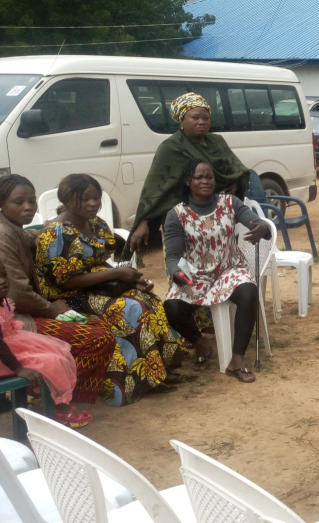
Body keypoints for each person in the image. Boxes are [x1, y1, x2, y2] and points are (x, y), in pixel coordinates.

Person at [35, 174, 188, 405]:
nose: (93, 204)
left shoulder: (96, 225)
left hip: (97, 287)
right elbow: (65, 282)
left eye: (96, 198)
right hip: (70, 297)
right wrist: (116, 274)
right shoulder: (55, 233)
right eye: (85, 199)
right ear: (67, 200)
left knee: (146, 298)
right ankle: (129, 381)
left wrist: (131, 282)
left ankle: (155, 371)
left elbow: (100, 263)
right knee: (130, 308)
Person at [0, 174, 116, 412]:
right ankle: (56, 405)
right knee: (96, 338)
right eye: (19, 202)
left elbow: (30, 237)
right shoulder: (3, 236)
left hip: (27, 312)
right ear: (2, 204)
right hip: (16, 322)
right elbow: (19, 293)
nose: (28, 207)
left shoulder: (14, 229)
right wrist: (54, 310)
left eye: (32, 201)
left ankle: (58, 397)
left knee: (100, 328)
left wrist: (47, 228)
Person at [162, 160, 271, 382]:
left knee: (249, 291)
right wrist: (176, 272)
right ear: (188, 181)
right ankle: (200, 343)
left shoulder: (230, 203)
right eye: (199, 177)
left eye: (209, 177)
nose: (205, 181)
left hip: (229, 268)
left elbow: (258, 224)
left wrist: (263, 228)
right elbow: (173, 256)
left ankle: (237, 359)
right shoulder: (177, 214)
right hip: (194, 271)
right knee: (171, 306)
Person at [126, 92, 254, 257]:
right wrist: (143, 221)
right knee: (183, 263)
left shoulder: (217, 141)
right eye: (195, 117)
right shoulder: (170, 147)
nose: (201, 122)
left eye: (206, 118)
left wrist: (235, 184)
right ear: (182, 119)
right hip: (183, 219)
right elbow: (154, 190)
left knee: (221, 256)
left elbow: (237, 170)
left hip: (218, 215)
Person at [0, 268, 84, 426]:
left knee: (57, 352)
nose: (2, 281)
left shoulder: (4, 300)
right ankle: (57, 407)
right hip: (4, 358)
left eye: (3, 276)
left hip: (12, 343)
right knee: (49, 362)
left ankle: (50, 404)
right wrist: (18, 368)